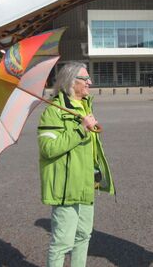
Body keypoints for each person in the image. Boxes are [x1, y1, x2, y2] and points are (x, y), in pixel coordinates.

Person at [37, 62, 115, 267]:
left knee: (83, 235)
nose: (90, 82)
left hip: (86, 183)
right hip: (66, 186)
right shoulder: (52, 112)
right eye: (85, 78)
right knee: (62, 242)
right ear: (72, 82)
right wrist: (81, 129)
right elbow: (48, 148)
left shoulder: (85, 106)